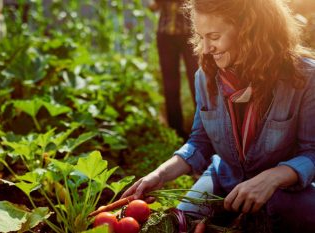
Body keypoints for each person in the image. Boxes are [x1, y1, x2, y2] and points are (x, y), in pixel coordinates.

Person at [122, 0, 315, 232]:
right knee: (180, 223)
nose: (205, 49)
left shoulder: (305, 78)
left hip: (285, 190)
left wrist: (272, 178)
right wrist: (159, 174)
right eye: (201, 37)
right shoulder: (205, 76)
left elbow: (311, 152)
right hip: (224, 178)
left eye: (213, 37)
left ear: (250, 31)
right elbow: (200, 142)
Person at [149, 0, 198, 138]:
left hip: (189, 33)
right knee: (170, 85)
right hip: (165, 35)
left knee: (197, 80)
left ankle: (203, 128)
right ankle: (176, 131)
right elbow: (153, 6)